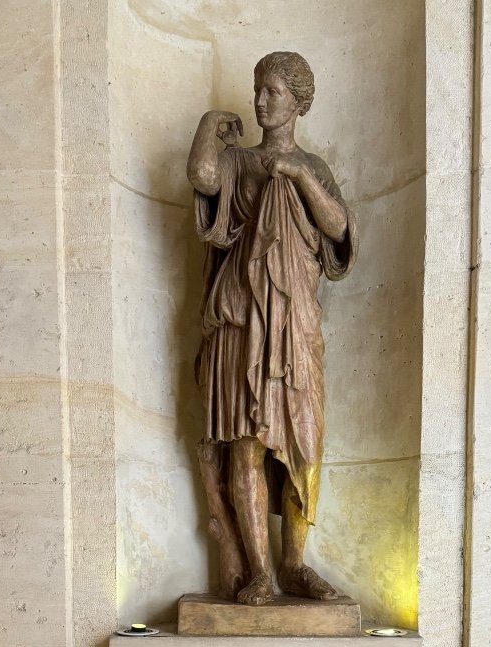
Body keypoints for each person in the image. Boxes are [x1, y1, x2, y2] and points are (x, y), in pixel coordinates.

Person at [187, 51, 358, 606]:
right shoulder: (238, 162)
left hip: (294, 321)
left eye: (273, 92)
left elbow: (337, 227)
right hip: (242, 318)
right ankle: (260, 571)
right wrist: (208, 128)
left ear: (298, 102)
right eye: (257, 89)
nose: (261, 101)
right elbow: (203, 176)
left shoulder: (314, 166)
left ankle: (296, 565)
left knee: (304, 444)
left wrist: (300, 175)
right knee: (245, 448)